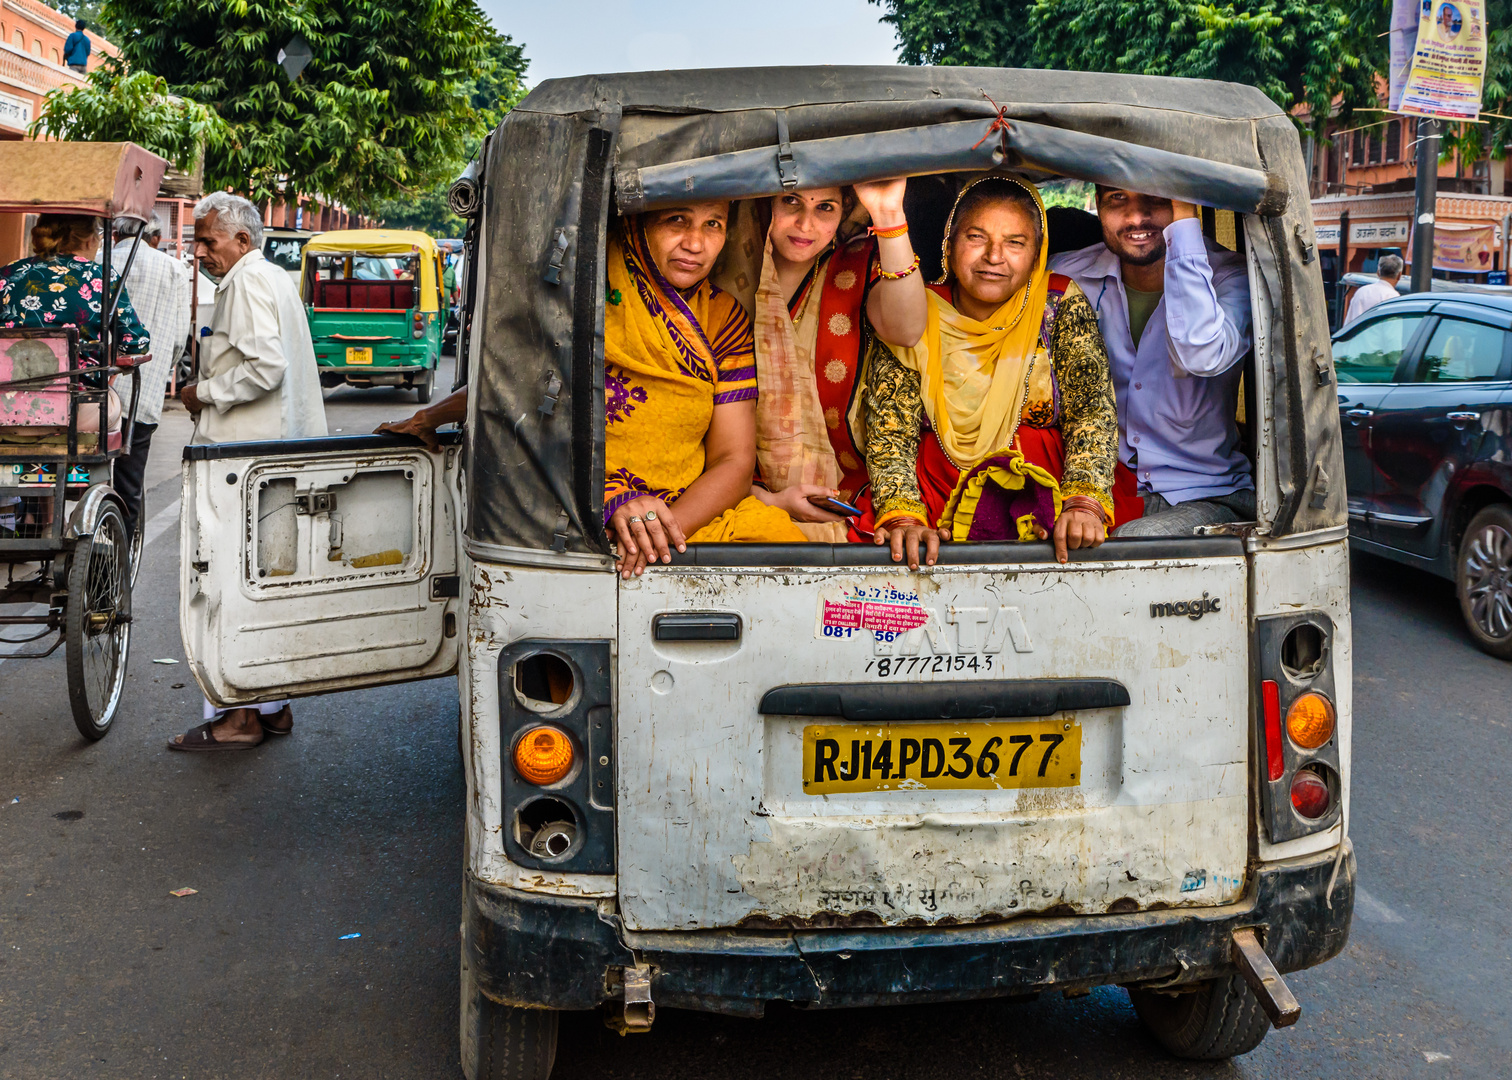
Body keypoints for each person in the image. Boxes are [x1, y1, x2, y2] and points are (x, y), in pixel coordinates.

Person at [864, 176, 1119, 569]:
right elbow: (890, 423)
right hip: (933, 499)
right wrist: (904, 516)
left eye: (1015, 243)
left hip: (1045, 496)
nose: (994, 256)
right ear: (949, 245)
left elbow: (1092, 411)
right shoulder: (916, 309)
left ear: (1037, 254)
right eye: (976, 237)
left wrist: (1082, 503)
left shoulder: (1059, 303)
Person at [169, 192, 327, 753]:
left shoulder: (245, 282)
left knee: (224, 590)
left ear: (242, 240)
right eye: (197, 241)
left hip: (241, 467)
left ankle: (239, 717)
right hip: (268, 462)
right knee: (264, 586)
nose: (199, 252)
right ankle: (272, 707)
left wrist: (201, 392)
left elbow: (264, 366)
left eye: (208, 240)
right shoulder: (274, 278)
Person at [603, 201, 804, 576]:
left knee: (779, 542)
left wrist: (658, 535)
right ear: (638, 223)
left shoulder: (723, 318)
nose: (695, 244)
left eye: (713, 224)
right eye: (676, 219)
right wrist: (610, 502)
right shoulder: (581, 299)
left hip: (681, 518)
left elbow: (734, 460)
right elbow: (534, 421)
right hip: (587, 506)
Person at [1051, 187, 1253, 537]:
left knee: (1135, 541)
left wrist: (1184, 224)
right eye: (1117, 198)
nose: (1135, 217)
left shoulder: (1231, 277)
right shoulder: (1067, 277)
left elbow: (1200, 353)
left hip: (1206, 491)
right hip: (1102, 488)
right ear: (1098, 203)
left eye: (1155, 198)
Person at [748, 179, 925, 540]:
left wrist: (889, 213)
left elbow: (907, 330)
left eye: (825, 207)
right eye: (790, 201)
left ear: (844, 210)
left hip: (844, 508)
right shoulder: (724, 276)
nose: (805, 224)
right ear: (763, 202)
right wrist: (770, 501)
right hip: (743, 503)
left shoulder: (854, 269)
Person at [0, 214, 151, 534]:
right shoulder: (100, 276)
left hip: (8, 413)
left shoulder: (8, 274)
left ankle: (36, 518)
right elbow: (135, 341)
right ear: (87, 239)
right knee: (110, 406)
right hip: (74, 414)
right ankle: (82, 517)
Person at [104, 216, 191, 540]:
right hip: (143, 391)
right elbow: (179, 339)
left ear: (115, 235)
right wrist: (160, 370)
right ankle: (120, 559)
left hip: (91, 392)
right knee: (129, 482)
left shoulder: (98, 260)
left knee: (83, 469)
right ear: (154, 238)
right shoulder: (173, 269)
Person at [1344, 254, 1404, 324]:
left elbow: (1348, 323)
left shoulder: (1362, 291)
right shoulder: (1393, 297)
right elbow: (1392, 329)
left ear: (1378, 273)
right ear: (1399, 275)